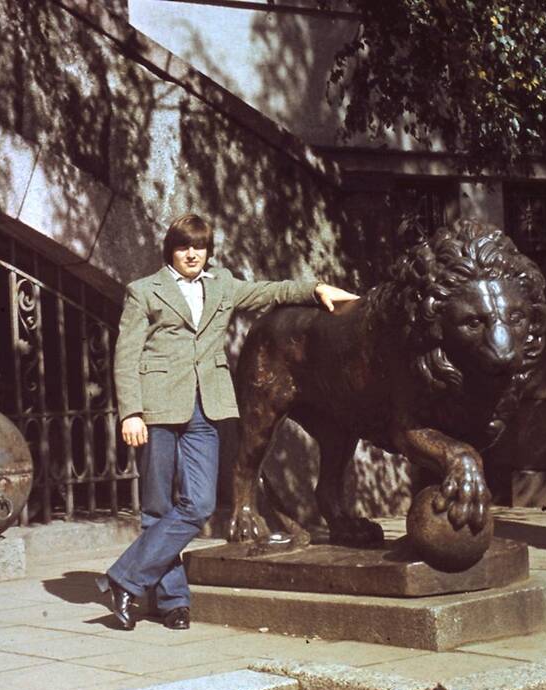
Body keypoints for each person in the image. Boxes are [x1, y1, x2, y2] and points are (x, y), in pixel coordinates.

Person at [96, 213, 359, 630]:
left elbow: (270, 291)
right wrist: (131, 412)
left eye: (199, 246)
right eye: (184, 246)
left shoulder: (222, 285)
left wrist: (316, 289)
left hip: (208, 407)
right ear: (171, 250)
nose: (192, 254)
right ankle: (173, 602)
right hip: (157, 409)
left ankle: (125, 580)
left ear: (208, 250)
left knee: (198, 504)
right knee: (157, 507)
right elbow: (125, 357)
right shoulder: (143, 292)